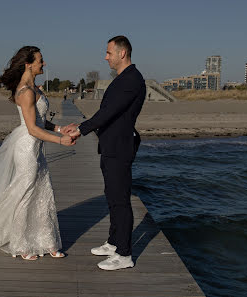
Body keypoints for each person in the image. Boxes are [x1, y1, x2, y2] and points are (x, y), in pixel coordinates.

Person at [0, 46, 75, 261]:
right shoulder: (26, 92)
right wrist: (60, 140)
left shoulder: (36, 89)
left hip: (37, 146)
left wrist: (59, 129)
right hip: (26, 146)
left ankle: (48, 242)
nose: (43, 64)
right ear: (28, 64)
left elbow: (41, 121)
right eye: (40, 60)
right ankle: (22, 245)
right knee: (25, 194)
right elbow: (32, 128)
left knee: (42, 192)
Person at [69, 36, 146, 270]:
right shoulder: (122, 78)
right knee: (112, 196)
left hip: (120, 147)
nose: (105, 57)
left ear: (122, 53)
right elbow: (106, 112)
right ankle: (114, 242)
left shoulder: (132, 79)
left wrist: (81, 129)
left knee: (121, 200)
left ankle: (124, 255)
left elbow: (109, 112)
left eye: (109, 52)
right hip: (111, 146)